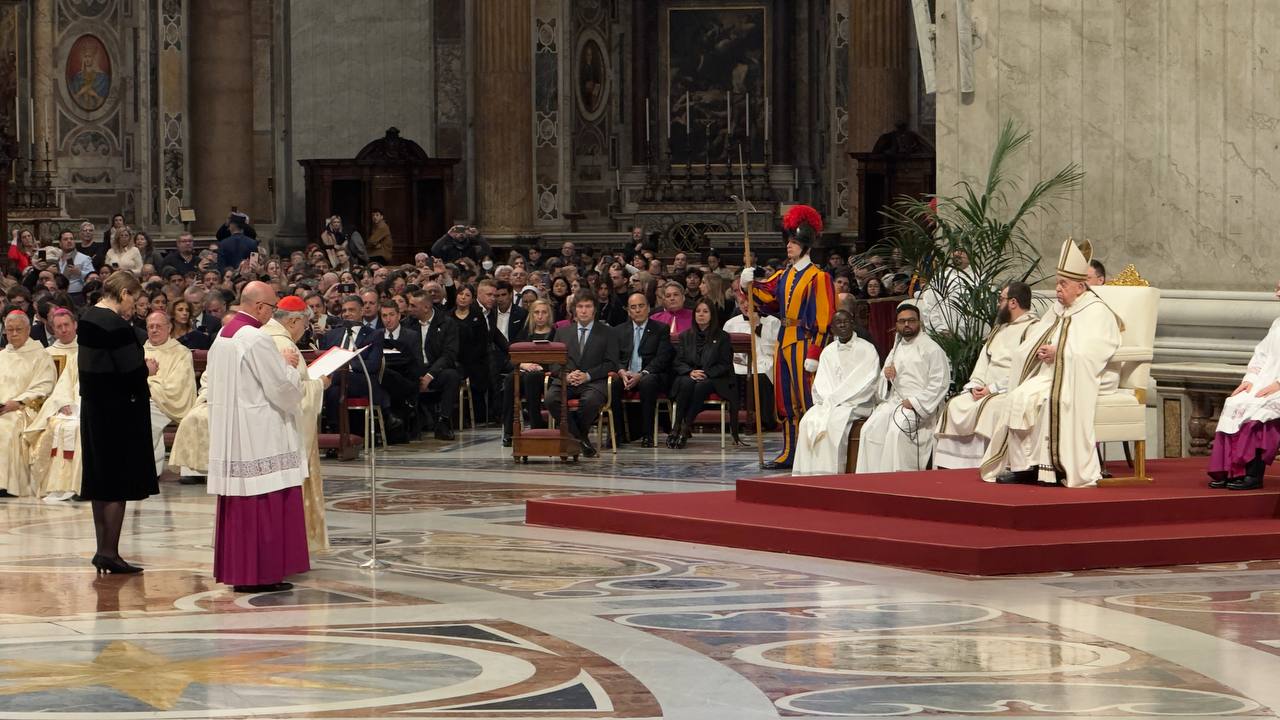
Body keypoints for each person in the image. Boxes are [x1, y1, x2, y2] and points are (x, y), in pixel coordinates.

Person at [980, 238, 1122, 488]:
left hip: (1082, 374)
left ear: (1080, 287)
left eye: (1063, 284)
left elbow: (1101, 348)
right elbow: (1035, 339)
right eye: (1057, 283)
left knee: (1045, 401)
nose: (1057, 289)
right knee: (1017, 397)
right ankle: (1025, 467)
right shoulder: (1059, 308)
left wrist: (1061, 352)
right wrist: (1038, 351)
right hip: (1052, 372)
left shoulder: (1096, 310)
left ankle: (1052, 469)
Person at [207, 281, 309, 593]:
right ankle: (262, 574)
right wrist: (290, 367)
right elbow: (281, 390)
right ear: (260, 307)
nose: (272, 314)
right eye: (271, 307)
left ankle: (243, 572)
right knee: (264, 503)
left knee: (242, 505)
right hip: (260, 434)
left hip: (234, 433)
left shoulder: (223, 337)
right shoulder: (255, 338)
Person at [742, 204, 837, 469]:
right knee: (784, 401)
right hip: (783, 340)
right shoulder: (784, 275)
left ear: (806, 246)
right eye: (789, 242)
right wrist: (747, 282)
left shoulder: (819, 278)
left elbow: (823, 318)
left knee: (806, 399)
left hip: (804, 341)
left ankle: (811, 453)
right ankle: (789, 452)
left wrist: (816, 352)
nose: (789, 247)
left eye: (794, 243)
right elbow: (767, 299)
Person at [78, 272, 156, 574]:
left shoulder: (87, 318)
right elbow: (131, 372)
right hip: (119, 411)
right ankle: (110, 552)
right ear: (123, 293)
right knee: (117, 483)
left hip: (95, 408)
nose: (133, 306)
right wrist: (146, 367)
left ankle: (103, 550)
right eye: (133, 299)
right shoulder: (116, 325)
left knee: (101, 481)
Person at [933, 281, 1039, 468]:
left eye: (1001, 299)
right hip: (985, 388)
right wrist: (976, 384)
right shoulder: (999, 329)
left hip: (1009, 390)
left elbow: (1026, 369)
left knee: (989, 409)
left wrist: (992, 388)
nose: (999, 304)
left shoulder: (1033, 329)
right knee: (956, 404)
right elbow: (984, 361)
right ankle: (952, 467)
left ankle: (982, 465)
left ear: (1013, 303)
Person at [264, 296, 331, 549]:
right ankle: (295, 544)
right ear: (293, 320)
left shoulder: (262, 337)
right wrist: (320, 385)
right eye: (305, 323)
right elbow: (295, 394)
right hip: (288, 431)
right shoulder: (284, 345)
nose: (306, 330)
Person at [856, 302, 950, 473]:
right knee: (869, 430)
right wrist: (887, 375)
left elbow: (940, 383)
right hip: (895, 402)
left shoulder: (932, 349)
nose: (906, 324)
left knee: (897, 432)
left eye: (911, 320)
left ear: (919, 322)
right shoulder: (896, 348)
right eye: (902, 321)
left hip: (919, 405)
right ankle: (872, 480)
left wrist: (914, 402)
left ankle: (899, 480)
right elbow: (884, 384)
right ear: (897, 324)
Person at [1207, 281, 1280, 490]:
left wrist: (1278, 384)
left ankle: (1253, 474)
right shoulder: (1278, 322)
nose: (1276, 294)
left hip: (1277, 386)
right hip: (1266, 381)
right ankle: (1232, 471)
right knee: (1235, 402)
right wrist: (1249, 380)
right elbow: (1261, 354)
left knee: (1260, 413)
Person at [793, 309, 881, 475]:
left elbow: (867, 381)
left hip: (856, 402)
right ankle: (807, 474)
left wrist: (838, 400)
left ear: (853, 324)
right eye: (838, 323)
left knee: (834, 423)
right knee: (807, 421)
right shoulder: (828, 351)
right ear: (832, 328)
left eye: (845, 321)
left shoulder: (867, 349)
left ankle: (828, 474)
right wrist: (829, 400)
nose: (842, 325)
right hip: (830, 402)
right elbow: (821, 381)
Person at [545, 293, 620, 458]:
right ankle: (581, 438)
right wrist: (566, 376)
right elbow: (554, 362)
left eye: (588, 307)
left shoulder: (608, 332)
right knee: (551, 398)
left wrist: (588, 375)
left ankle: (575, 436)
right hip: (567, 380)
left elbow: (611, 362)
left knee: (591, 400)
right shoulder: (561, 332)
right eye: (580, 307)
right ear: (574, 310)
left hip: (594, 381)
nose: (584, 311)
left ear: (594, 310)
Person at [26, 309, 82, 502]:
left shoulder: (85, 351)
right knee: (54, 427)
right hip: (53, 405)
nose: (64, 330)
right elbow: (59, 386)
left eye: (67, 325)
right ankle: (53, 484)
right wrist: (62, 403)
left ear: (75, 325)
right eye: (59, 327)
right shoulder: (45, 354)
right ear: (53, 330)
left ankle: (77, 483)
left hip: (80, 405)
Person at [0, 310, 57, 498]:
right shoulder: (2, 355)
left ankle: (4, 485)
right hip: (2, 408)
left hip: (24, 409)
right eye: (10, 330)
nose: (14, 334)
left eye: (18, 329)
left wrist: (17, 402)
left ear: (27, 330)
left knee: (5, 428)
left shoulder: (40, 355)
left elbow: (45, 386)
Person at [668, 299, 738, 448]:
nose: (701, 315)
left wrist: (706, 373)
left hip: (714, 378)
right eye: (698, 311)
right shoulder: (685, 336)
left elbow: (725, 364)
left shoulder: (722, 337)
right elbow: (677, 362)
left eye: (705, 312)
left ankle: (686, 426)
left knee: (701, 386)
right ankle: (676, 427)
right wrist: (690, 372)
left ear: (712, 315)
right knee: (686, 383)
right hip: (690, 375)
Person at [612, 292, 675, 447]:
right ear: (628, 311)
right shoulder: (618, 331)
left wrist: (641, 374)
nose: (638, 310)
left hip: (650, 374)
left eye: (641, 306)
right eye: (633, 307)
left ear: (648, 308)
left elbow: (662, 358)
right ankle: (617, 434)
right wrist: (621, 371)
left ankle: (648, 434)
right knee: (612, 384)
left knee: (648, 382)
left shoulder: (661, 329)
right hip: (625, 374)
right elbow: (613, 357)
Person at [143, 311, 197, 475]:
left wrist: (147, 382)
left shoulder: (181, 353)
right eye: (150, 327)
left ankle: (141, 470)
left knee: (144, 420)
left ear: (169, 328)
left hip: (167, 402)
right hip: (143, 399)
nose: (154, 330)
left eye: (158, 326)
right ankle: (152, 470)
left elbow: (177, 387)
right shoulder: (139, 351)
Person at [724, 287, 781, 431]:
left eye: (749, 302)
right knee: (732, 375)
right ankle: (737, 419)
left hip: (763, 361)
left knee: (760, 376)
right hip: (738, 362)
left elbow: (772, 348)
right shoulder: (731, 323)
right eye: (742, 302)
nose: (745, 306)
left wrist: (757, 326)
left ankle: (763, 420)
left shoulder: (773, 321)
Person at [502, 298, 557, 445]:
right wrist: (524, 364)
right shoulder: (524, 333)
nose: (540, 316)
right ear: (531, 315)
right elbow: (511, 358)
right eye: (536, 312)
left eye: (543, 312)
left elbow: (559, 360)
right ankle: (509, 431)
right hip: (526, 371)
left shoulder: (555, 333)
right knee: (510, 379)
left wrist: (541, 367)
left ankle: (536, 427)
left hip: (547, 376)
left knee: (531, 378)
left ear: (549, 315)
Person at [407, 289, 461, 440]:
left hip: (436, 369)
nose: (409, 309)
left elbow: (449, 354)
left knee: (452, 376)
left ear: (426, 307)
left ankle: (443, 422)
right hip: (415, 370)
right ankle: (411, 422)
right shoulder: (407, 323)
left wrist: (430, 376)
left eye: (413, 306)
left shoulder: (447, 323)